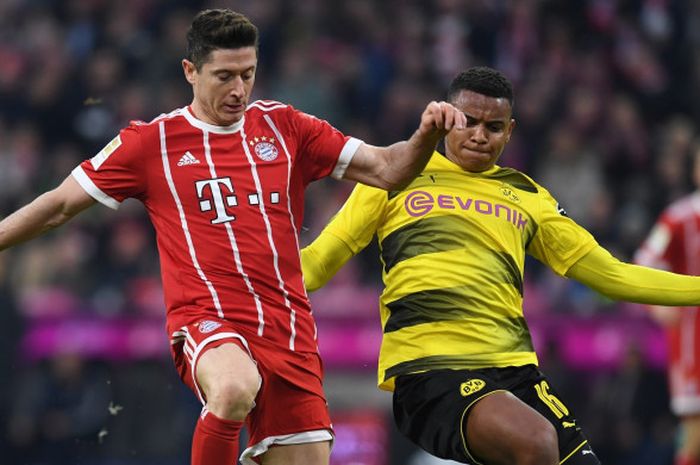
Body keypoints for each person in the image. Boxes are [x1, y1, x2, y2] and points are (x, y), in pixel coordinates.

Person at [0, 9, 465, 465]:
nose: (239, 89)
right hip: (207, 320)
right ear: (190, 71)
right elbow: (59, 204)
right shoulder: (151, 143)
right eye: (224, 76)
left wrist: (425, 135)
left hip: (287, 330)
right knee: (233, 386)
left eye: (248, 73)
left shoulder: (287, 128)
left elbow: (388, 168)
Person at [301, 66, 700, 465]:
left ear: (510, 131)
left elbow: (613, 276)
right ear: (445, 121)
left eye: (493, 127)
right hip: (433, 373)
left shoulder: (528, 197)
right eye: (468, 122)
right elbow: (318, 263)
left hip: (515, 374)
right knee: (536, 442)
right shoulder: (396, 172)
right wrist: (244, 280)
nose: (479, 135)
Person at [635, 143, 700, 465]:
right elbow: (645, 260)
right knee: (694, 431)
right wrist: (659, 306)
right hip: (694, 342)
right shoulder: (679, 218)